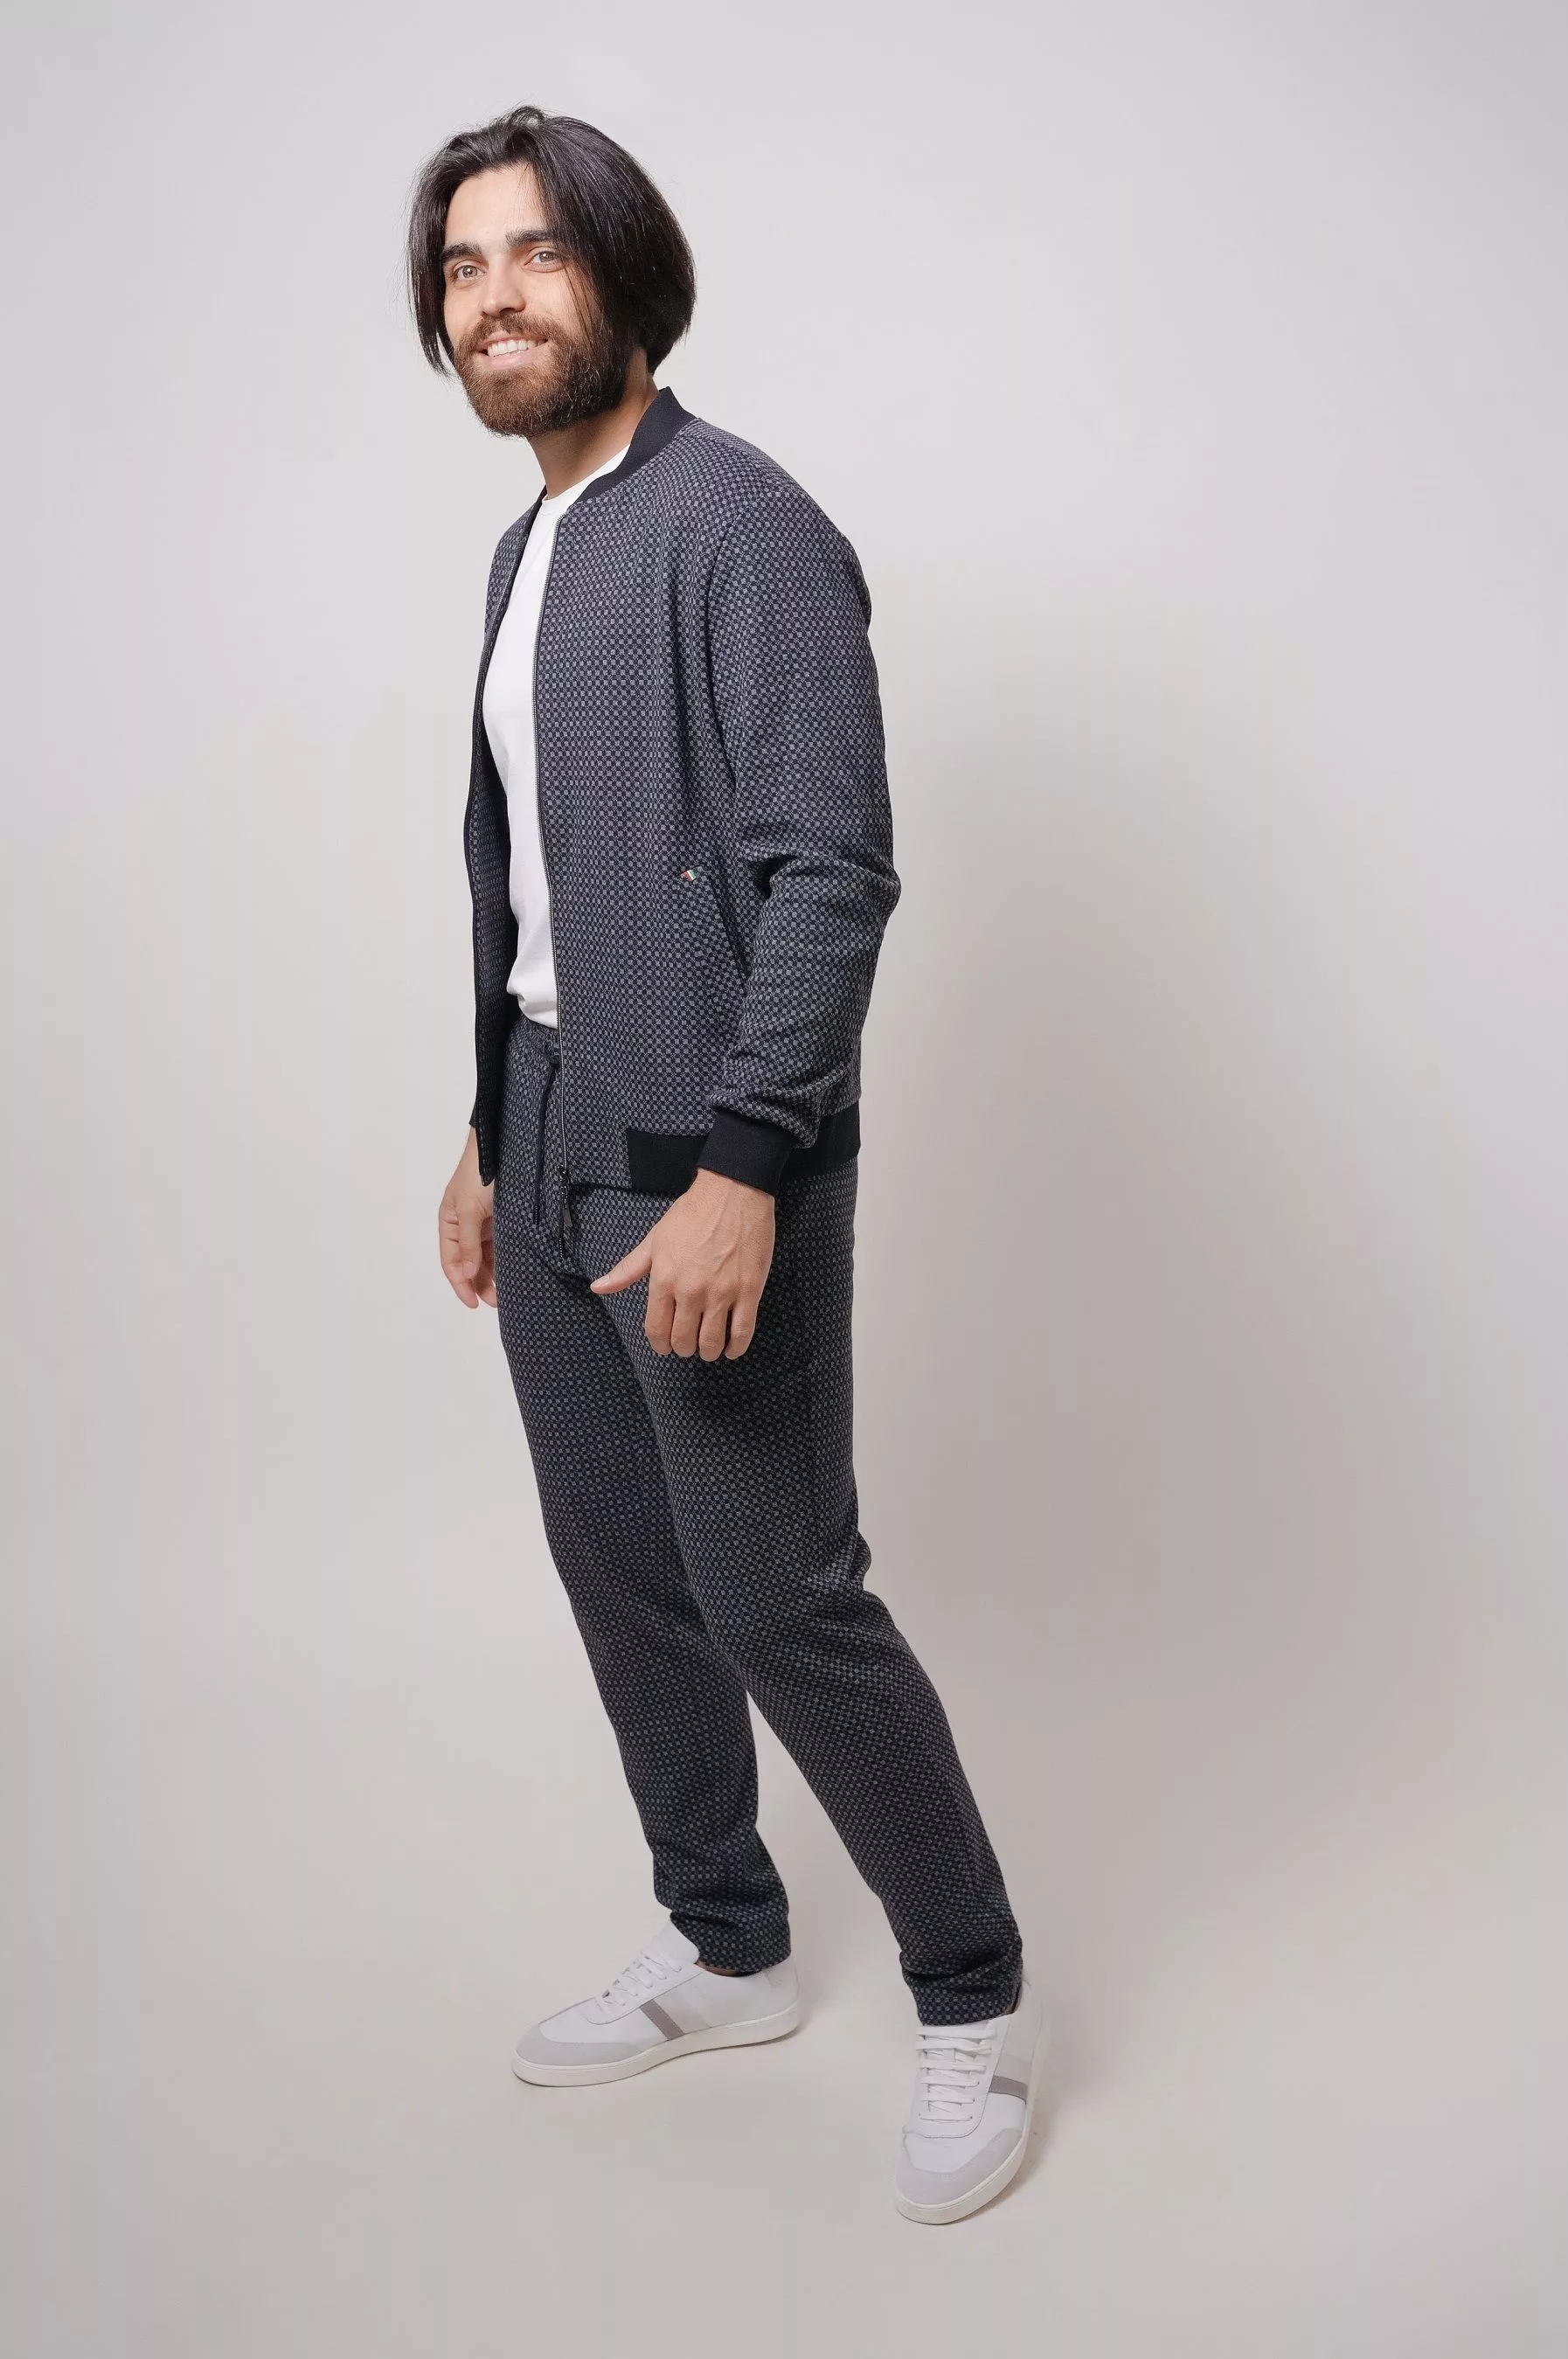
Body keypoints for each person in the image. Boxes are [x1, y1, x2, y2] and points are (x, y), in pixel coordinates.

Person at [411, 102, 1044, 2224]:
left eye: (535, 253)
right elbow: (550, 887)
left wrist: (753, 1165)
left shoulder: (741, 523)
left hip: (706, 1142)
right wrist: (488, 1130)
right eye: (462, 266)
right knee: (621, 1562)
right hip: (554, 1117)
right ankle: (730, 1939)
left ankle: (975, 1998)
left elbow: (828, 870)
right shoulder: (528, 551)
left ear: (624, 276)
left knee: (778, 1584)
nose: (493, 297)